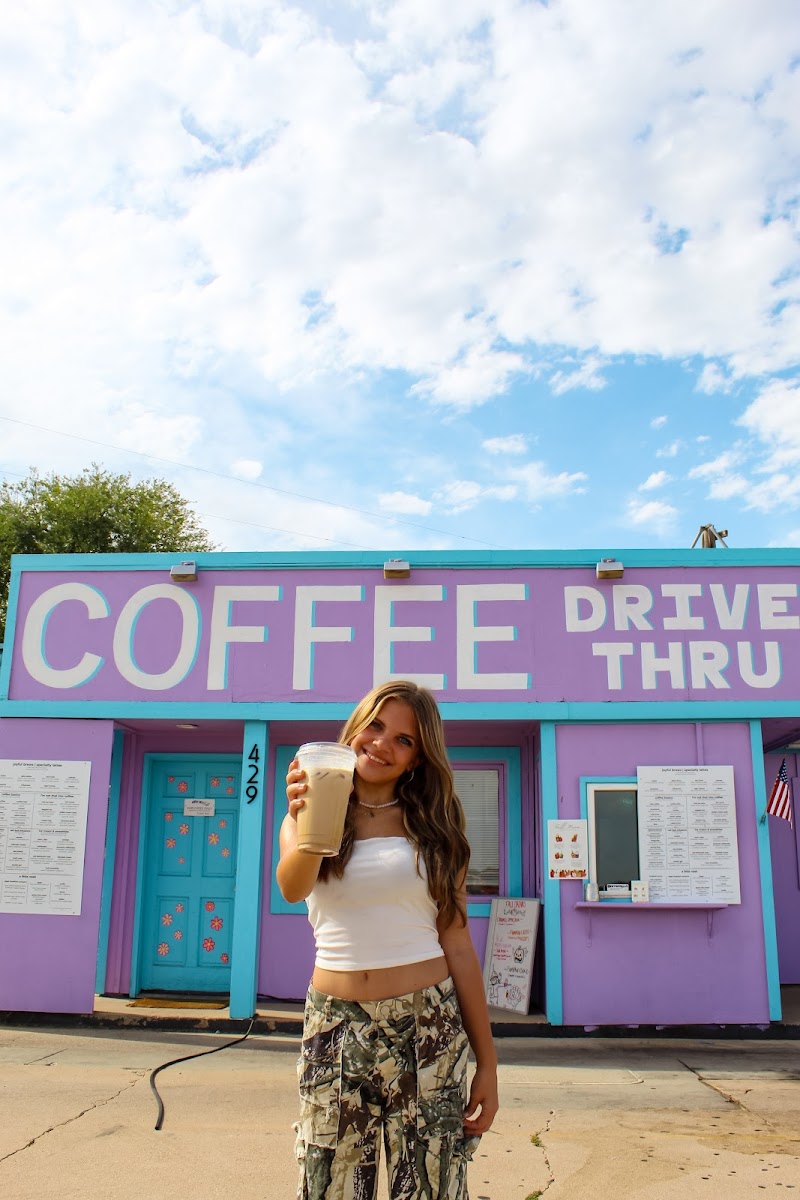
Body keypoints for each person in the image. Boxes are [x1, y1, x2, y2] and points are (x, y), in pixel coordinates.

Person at [277, 680, 499, 1200]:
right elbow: (293, 887)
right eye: (375, 726)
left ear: (418, 759)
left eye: (404, 739)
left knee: (429, 1186)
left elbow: (460, 947)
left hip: (428, 1024)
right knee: (327, 1182)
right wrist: (317, 807)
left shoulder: (437, 829)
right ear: (354, 729)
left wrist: (488, 1062)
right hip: (334, 1023)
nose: (382, 743)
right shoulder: (304, 811)